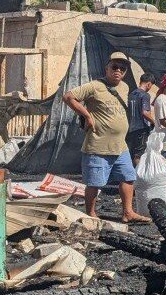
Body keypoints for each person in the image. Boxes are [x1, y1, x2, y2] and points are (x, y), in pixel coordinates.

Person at [62, 51, 150, 224]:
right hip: (98, 144)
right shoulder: (94, 86)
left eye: (122, 68)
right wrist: (87, 115)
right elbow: (68, 97)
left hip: (120, 145)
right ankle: (91, 214)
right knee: (94, 183)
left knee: (128, 177)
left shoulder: (124, 87)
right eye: (114, 67)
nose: (118, 71)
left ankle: (128, 213)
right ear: (107, 68)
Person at [127, 72, 156, 166]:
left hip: (130, 129)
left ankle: (130, 173)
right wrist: (155, 122)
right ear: (149, 84)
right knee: (138, 155)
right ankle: (138, 174)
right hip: (141, 129)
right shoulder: (145, 95)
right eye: (151, 86)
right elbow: (145, 112)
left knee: (130, 154)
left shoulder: (131, 94)